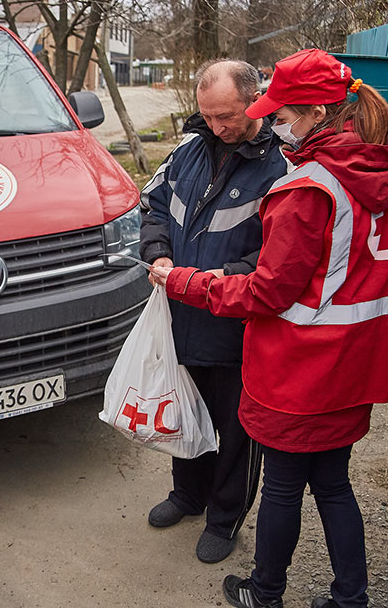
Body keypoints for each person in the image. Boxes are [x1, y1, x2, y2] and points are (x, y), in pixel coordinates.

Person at [149, 48, 388, 608]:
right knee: (333, 485)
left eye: (281, 116)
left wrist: (184, 282)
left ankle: (265, 592)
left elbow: (268, 290)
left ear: (315, 114)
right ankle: (351, 598)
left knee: (280, 486)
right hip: (358, 364)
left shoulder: (307, 187)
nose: (276, 126)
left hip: (299, 367)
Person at [139, 59, 288, 563]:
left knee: (237, 431)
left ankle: (225, 518)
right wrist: (157, 252)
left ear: (255, 102)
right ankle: (188, 494)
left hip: (238, 324)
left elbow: (279, 250)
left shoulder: (281, 164)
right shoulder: (189, 146)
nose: (216, 127)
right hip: (181, 314)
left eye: (225, 116)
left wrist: (224, 278)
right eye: (207, 115)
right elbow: (154, 204)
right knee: (185, 410)